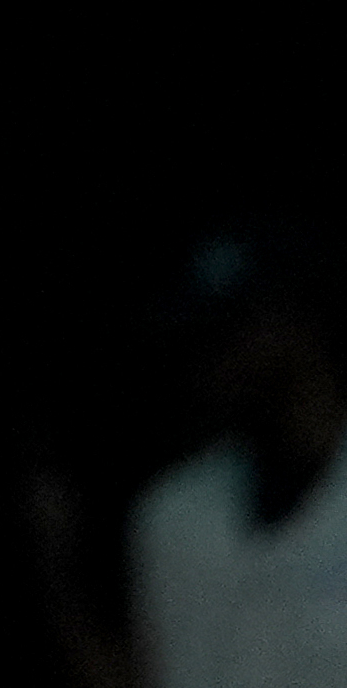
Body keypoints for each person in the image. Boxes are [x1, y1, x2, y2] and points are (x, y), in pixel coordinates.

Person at [130, 236, 346, 688]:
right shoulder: (172, 514)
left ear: (299, 322)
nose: (216, 360)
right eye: (202, 338)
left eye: (236, 331)